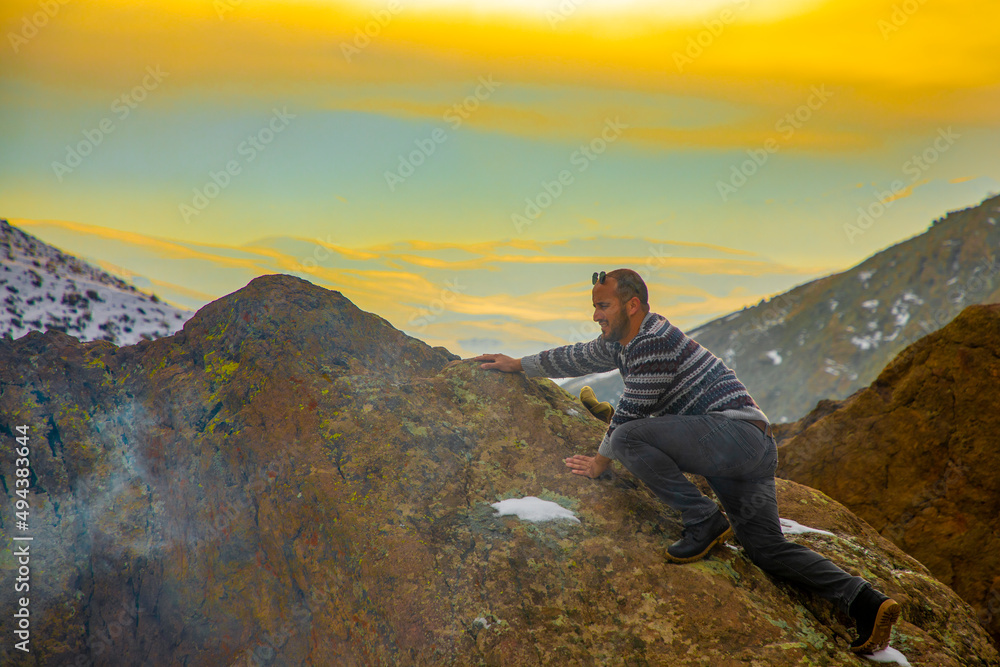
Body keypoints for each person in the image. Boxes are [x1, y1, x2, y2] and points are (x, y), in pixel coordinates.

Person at [473, 268, 901, 654]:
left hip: (732, 437)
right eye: (594, 308)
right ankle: (865, 601)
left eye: (603, 306)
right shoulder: (625, 342)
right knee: (767, 549)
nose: (596, 316)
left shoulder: (653, 341)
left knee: (624, 437)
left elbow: (632, 412)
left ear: (632, 304)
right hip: (744, 450)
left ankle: (704, 519)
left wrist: (601, 463)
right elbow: (577, 356)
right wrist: (519, 364)